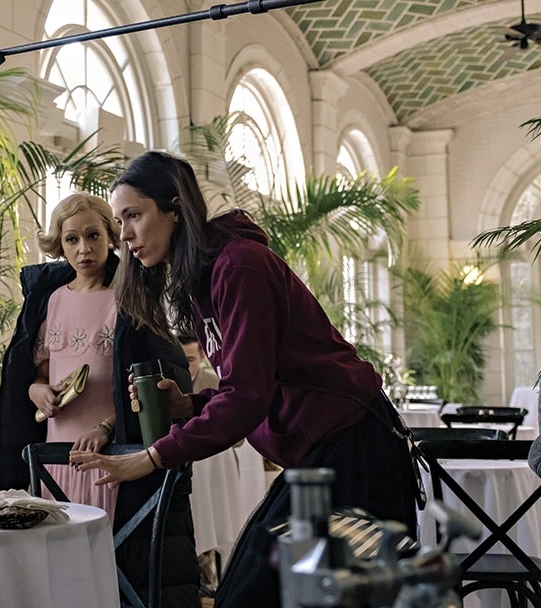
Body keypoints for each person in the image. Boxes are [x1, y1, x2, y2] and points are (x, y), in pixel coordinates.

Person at [71, 151, 419, 608]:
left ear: (175, 206)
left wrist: (153, 457)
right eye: (119, 221)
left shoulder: (239, 266)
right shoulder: (203, 279)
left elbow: (250, 397)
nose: (125, 236)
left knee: (255, 592)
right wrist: (189, 406)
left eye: (133, 215)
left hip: (355, 449)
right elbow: (255, 383)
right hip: (322, 453)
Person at [0, 192, 200, 606]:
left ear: (111, 237)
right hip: (53, 460)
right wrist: (36, 389)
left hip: (107, 460)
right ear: (59, 244)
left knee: (108, 570)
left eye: (93, 236)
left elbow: (146, 382)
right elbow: (37, 372)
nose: (83, 249)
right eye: (71, 240)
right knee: (58, 575)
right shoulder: (48, 301)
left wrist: (106, 427)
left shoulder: (131, 299)